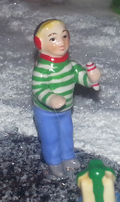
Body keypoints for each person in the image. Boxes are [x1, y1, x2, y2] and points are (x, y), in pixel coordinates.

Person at [31, 19, 101, 178]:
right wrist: (51, 98)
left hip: (66, 110)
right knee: (51, 138)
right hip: (45, 112)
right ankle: (54, 161)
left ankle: (68, 157)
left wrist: (92, 78)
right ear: (40, 43)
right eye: (53, 38)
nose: (61, 42)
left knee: (66, 134)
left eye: (64, 36)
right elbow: (38, 88)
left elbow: (82, 78)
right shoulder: (42, 69)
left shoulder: (71, 65)